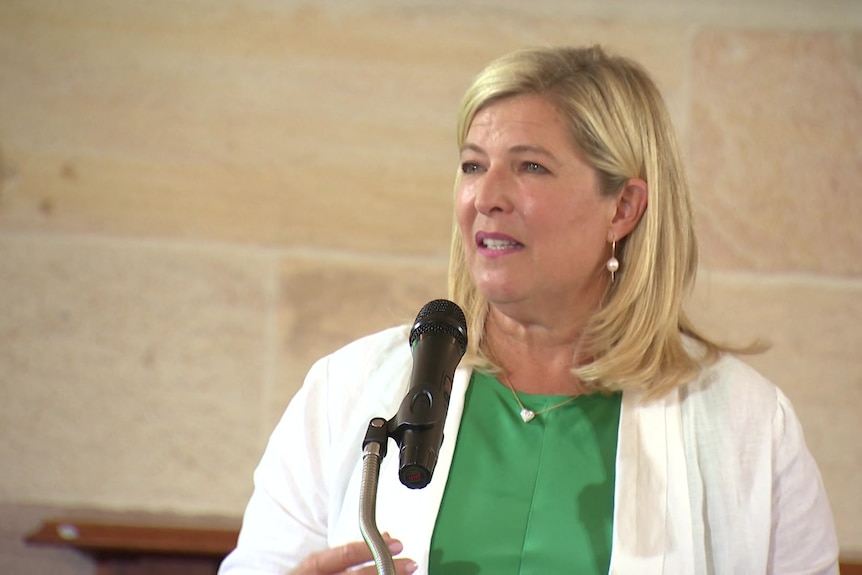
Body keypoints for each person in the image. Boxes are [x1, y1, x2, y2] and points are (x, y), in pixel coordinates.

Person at [219, 45, 839, 574]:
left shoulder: (748, 426)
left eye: (530, 168)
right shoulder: (345, 392)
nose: (486, 198)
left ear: (622, 208)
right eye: (472, 166)